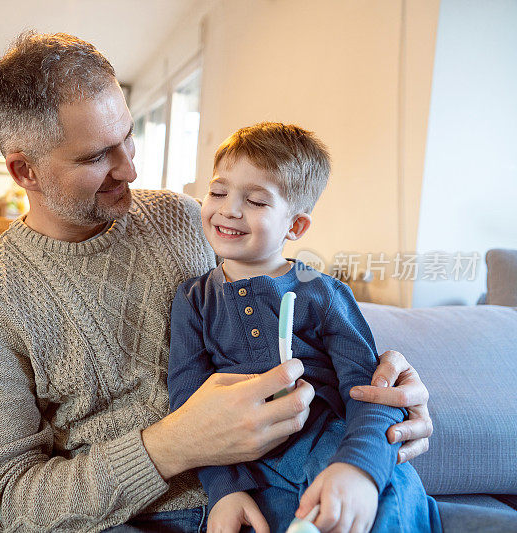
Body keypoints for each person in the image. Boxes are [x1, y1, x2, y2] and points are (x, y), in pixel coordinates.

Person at [0, 32, 434, 532]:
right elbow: (2, 507)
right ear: (24, 170)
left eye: (128, 137)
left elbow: (283, 308)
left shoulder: (185, 219)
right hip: (139, 517)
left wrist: (382, 400)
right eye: (96, 158)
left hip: (283, 480)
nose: (129, 168)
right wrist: (178, 444)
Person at [167, 123, 441, 533]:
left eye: (256, 200)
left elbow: (371, 391)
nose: (229, 209)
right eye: (219, 192)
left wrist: (359, 470)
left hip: (337, 447)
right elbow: (187, 400)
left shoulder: (324, 293)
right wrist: (224, 490)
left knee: (391, 502)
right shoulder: (192, 299)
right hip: (256, 473)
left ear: (294, 227)